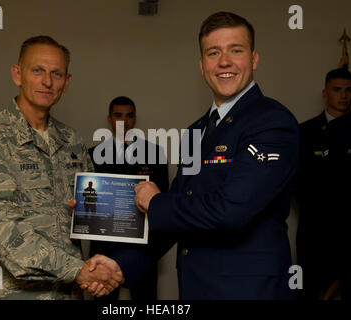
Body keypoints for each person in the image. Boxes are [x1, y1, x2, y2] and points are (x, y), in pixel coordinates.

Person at [86, 11, 299, 300]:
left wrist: (156, 201)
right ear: (202, 65)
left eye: (235, 50)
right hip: (196, 287)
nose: (224, 61)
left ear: (254, 59)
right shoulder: (195, 132)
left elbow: (230, 211)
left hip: (248, 291)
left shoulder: (272, 122)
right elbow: (177, 214)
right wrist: (121, 265)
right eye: (214, 52)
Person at [0, 35, 123, 300]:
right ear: (17, 74)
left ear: (66, 82)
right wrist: (81, 271)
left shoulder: (73, 141)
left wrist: (113, 257)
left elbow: (96, 215)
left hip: (66, 293)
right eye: (38, 71)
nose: (47, 81)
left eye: (56, 73)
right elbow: (1, 228)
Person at [88, 96, 169, 300]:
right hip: (104, 244)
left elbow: (163, 201)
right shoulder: (93, 154)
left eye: (129, 115)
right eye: (118, 115)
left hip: (142, 245)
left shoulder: (154, 153)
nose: (124, 121)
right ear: (109, 119)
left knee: (146, 299)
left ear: (135, 118)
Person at [295, 68, 351, 299]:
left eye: (348, 90)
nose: (343, 96)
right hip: (316, 235)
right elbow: (297, 184)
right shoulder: (305, 132)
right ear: (325, 93)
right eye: (337, 89)